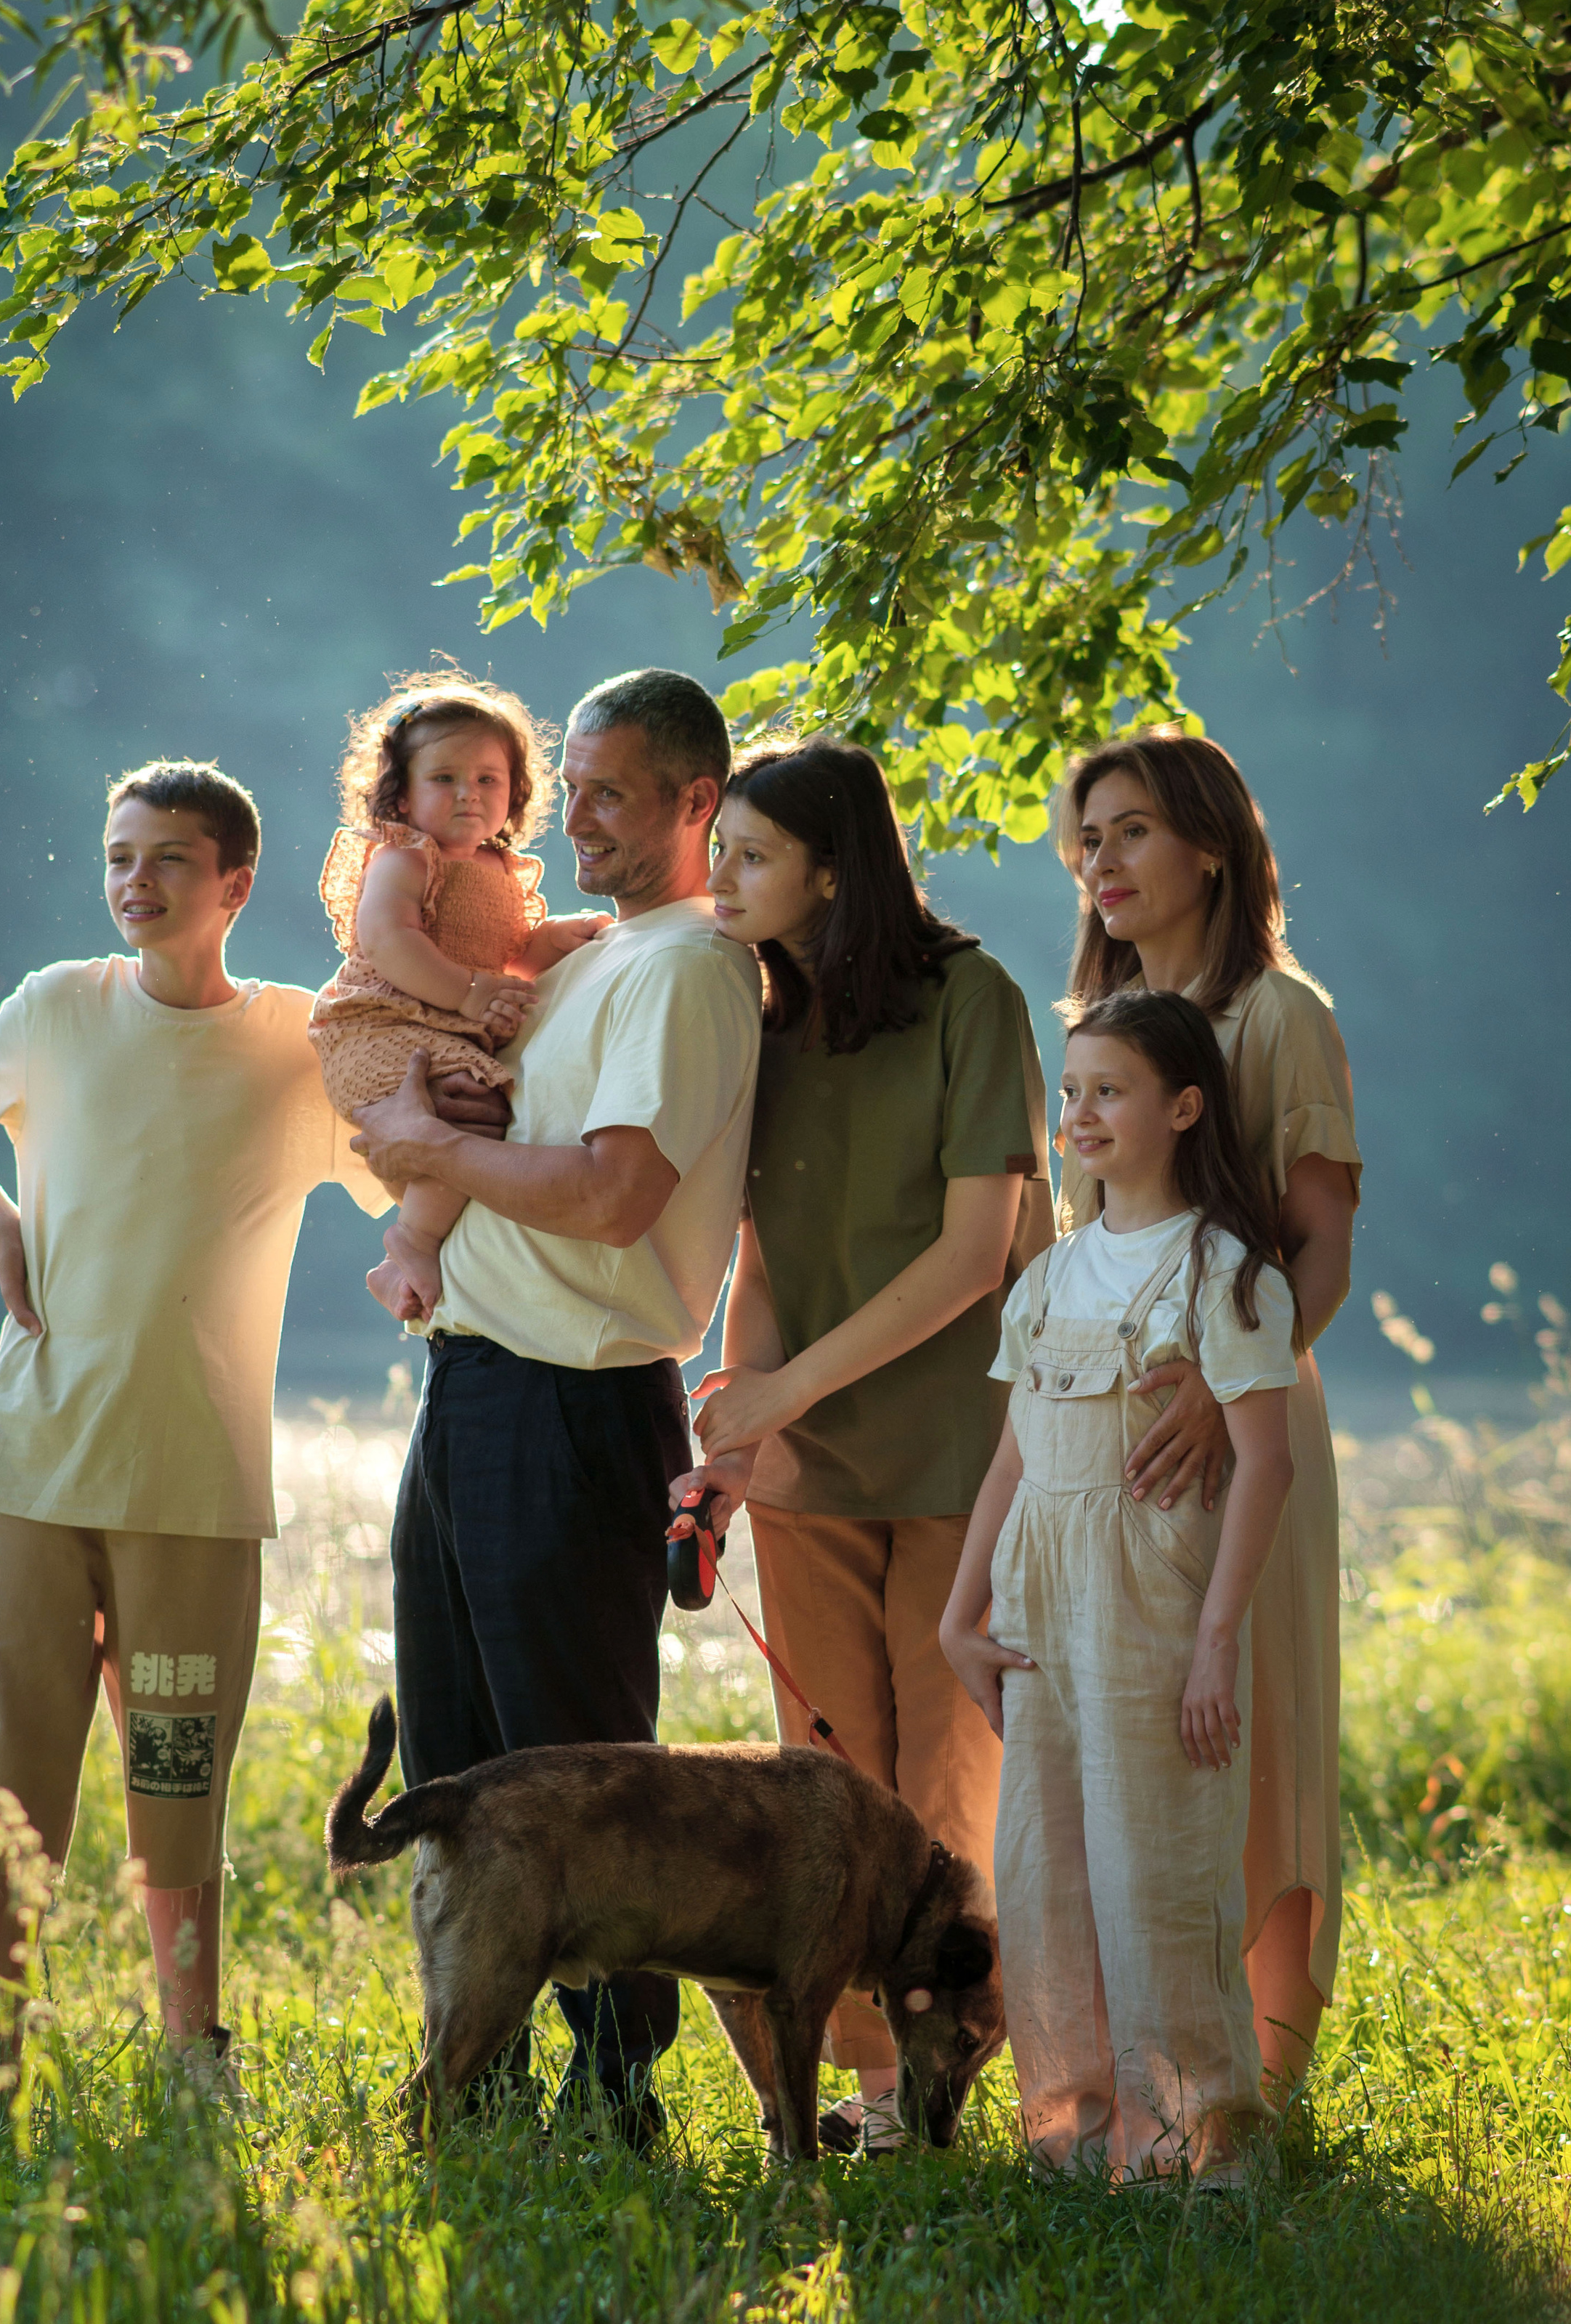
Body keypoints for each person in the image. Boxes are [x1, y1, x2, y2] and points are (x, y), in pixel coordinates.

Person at [348, 668, 763, 2148]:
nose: (568, 815)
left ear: (694, 801)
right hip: (471, 1378)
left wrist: (426, 1152)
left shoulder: (689, 969)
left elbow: (610, 1193)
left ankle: (617, 2092)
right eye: (568, 784)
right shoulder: (587, 961)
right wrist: (436, 1133)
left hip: (577, 1401)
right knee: (460, 1766)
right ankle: (478, 2085)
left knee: (582, 1773)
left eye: (607, 790)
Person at [0, 760, 341, 2093]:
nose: (133, 885)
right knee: (6, 1783)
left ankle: (191, 2047)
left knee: (175, 1787)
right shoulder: (56, 1006)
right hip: (33, 1462)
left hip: (199, 1484)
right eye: (116, 858)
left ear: (234, 885)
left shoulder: (298, 1039)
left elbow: (407, 1168)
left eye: (166, 862)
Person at [667, 735, 1053, 2155]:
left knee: (944, 1789)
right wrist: (739, 1414)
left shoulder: (971, 1000)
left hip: (968, 1456)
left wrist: (783, 1393)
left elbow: (973, 1255)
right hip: (809, 1477)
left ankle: (967, 2072)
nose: (722, 876)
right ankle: (878, 2092)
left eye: (750, 854)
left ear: (831, 871)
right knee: (828, 1786)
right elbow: (764, 1250)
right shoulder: (760, 1018)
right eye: (721, 851)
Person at [941, 988, 1299, 2185]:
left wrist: (1213, 1644)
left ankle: (1205, 2139)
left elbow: (1264, 1464)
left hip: (1150, 1603)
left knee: (1156, 1868)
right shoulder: (1045, 1278)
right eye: (1071, 1091)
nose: (1079, 1113)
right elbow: (1012, 1455)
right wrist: (959, 1611)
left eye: (1109, 1091)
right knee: (1046, 1870)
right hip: (1038, 1603)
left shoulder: (1227, 1274)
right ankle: (1079, 2135)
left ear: (1179, 1108)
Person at [1053, 728, 1360, 2100]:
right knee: (1131, 1751)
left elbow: (1320, 1248)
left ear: (1209, 849)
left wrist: (1218, 1399)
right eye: (1086, 835)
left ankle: (1263, 2102)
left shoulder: (1278, 1016)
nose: (1096, 860)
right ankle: (1153, 2082)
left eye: (1126, 831)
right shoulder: (1095, 1034)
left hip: (1242, 1441)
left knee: (1253, 1741)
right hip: (1105, 1453)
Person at [308, 674, 611, 1321]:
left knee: (477, 1115)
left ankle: (412, 1249)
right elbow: (390, 941)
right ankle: (409, 1245)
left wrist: (557, 938)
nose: (467, 794)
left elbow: (509, 951)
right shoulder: (407, 859)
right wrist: (471, 995)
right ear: (401, 793)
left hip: (438, 1030)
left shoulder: (500, 871)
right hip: (376, 1026)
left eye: (487, 780)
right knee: (472, 1112)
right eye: (443, 779)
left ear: (516, 791)